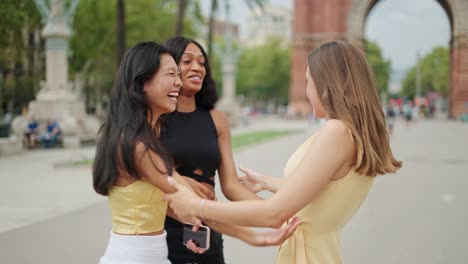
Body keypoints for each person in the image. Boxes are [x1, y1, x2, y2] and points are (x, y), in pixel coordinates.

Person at [165, 40, 402, 264]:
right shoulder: (353, 133)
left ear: (327, 83)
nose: (307, 91)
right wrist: (268, 182)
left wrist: (196, 207)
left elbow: (274, 213)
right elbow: (324, 192)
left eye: (309, 82)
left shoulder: (336, 132)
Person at [93, 41, 298, 264]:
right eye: (172, 74)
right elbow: (193, 204)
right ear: (143, 82)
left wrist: (198, 221)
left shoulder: (146, 139)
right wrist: (257, 233)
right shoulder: (137, 145)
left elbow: (186, 208)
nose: (178, 82)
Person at [161, 36, 262, 264]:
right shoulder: (156, 117)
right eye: (187, 61)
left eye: (201, 62)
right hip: (165, 233)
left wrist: (276, 211)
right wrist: (184, 183)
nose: (197, 67)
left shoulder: (217, 119)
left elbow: (232, 185)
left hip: (209, 231)